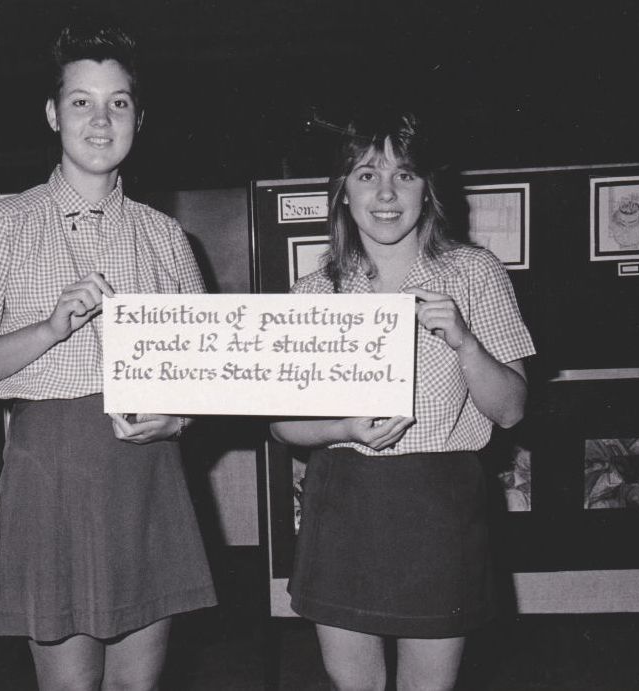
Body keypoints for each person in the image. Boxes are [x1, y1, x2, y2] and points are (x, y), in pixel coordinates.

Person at [0, 22, 216, 691]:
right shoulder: (3, 224)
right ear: (53, 114)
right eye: (81, 102)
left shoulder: (166, 236)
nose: (100, 119)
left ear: (139, 118)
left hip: (147, 468)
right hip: (51, 466)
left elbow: (209, 377)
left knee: (136, 687)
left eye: (118, 102)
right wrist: (50, 326)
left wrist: (177, 421)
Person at [270, 109, 535, 691]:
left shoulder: (475, 273)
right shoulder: (314, 291)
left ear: (428, 189)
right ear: (343, 193)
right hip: (343, 499)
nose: (386, 193)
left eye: (405, 175)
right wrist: (342, 427)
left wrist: (464, 341)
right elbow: (283, 425)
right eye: (366, 175)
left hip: (439, 506)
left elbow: (511, 408)